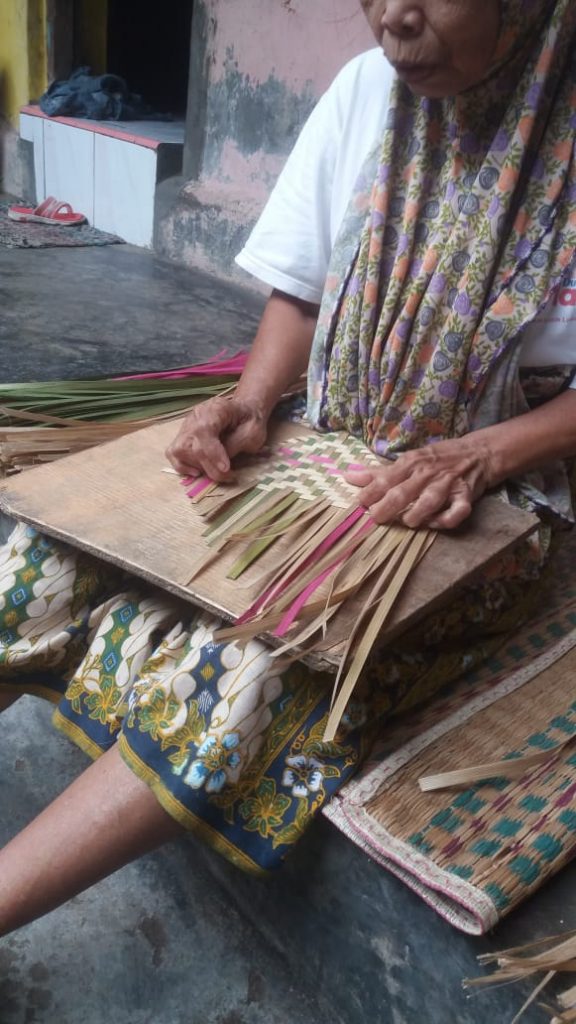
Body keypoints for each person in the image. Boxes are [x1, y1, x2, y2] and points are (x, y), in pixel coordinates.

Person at [1, 0, 575, 938]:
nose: (394, 17)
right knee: (40, 563)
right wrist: (252, 401)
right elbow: (301, 292)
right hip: (329, 433)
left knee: (246, 672)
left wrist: (486, 452)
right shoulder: (367, 94)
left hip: (498, 494)